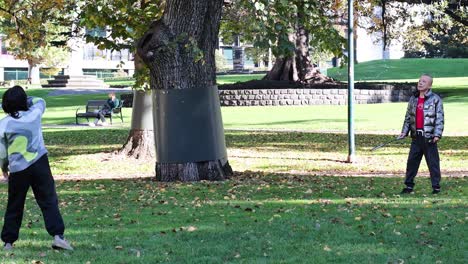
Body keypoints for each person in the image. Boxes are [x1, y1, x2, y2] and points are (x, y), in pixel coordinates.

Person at [0, 86, 73, 251]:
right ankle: (58, 237)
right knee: (48, 200)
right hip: (40, 164)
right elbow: (40, 101)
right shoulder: (34, 114)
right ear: (24, 101)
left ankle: (8, 242)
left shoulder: (3, 124)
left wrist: (4, 168)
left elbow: (2, 152)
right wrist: (25, 99)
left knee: (15, 204)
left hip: (18, 169)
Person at [399, 74, 444, 194]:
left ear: (429, 85)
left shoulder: (435, 99)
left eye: (424, 81)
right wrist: (404, 131)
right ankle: (408, 186)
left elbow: (439, 119)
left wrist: (437, 134)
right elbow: (408, 118)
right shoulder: (413, 99)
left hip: (429, 138)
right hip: (416, 137)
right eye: (419, 81)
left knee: (433, 163)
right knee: (412, 162)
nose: (420, 83)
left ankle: (436, 187)